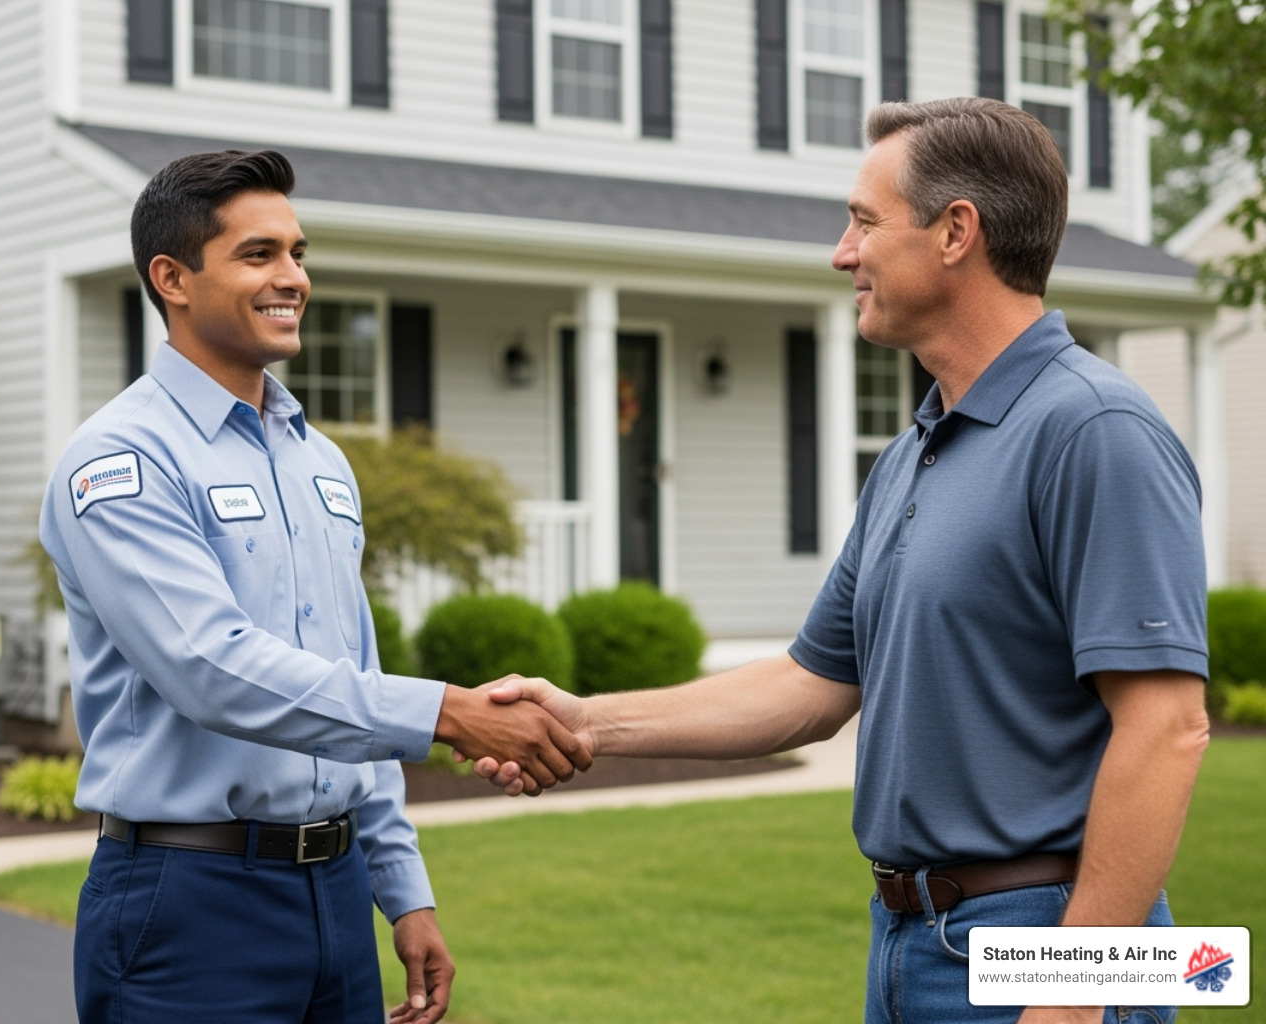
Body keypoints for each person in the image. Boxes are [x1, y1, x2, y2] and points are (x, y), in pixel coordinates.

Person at [470, 98, 1211, 1024]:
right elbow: (812, 684)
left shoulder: (1095, 431)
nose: (841, 252)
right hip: (909, 943)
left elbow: (1168, 728)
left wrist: (1066, 1002)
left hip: (1046, 939)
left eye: (863, 221)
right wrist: (587, 722)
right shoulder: (918, 450)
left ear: (956, 232)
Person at [39, 149, 588, 1024]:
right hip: (187, 903)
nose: (292, 277)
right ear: (172, 278)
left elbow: (346, 668)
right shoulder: (122, 461)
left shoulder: (319, 461)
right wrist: (451, 711)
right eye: (259, 255)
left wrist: (402, 891)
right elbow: (211, 668)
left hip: (333, 895)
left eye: (298, 253)